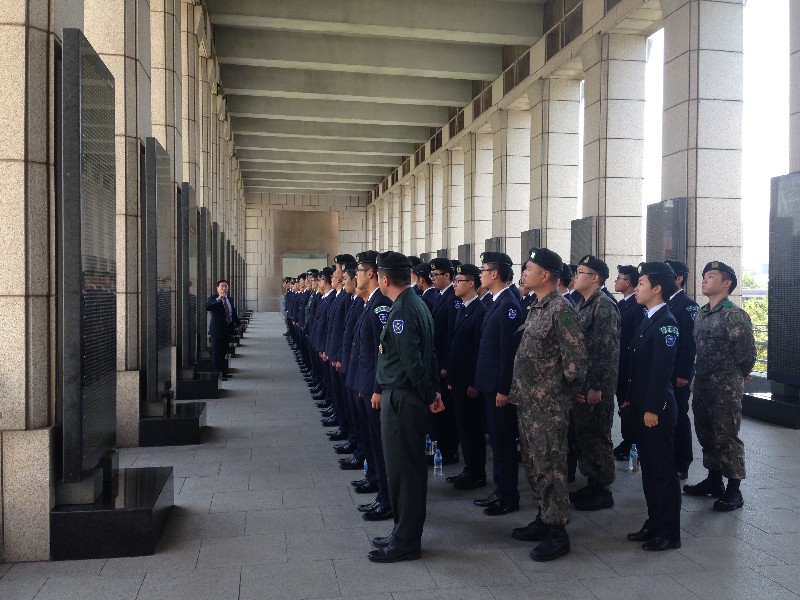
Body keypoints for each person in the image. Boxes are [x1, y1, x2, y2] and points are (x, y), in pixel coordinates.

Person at [509, 247, 587, 562]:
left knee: (551, 467)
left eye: (528, 268)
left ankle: (557, 531)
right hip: (528, 403)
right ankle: (544, 516)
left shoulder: (560, 309)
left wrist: (565, 393)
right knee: (533, 464)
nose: (523, 273)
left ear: (544, 276)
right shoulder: (537, 306)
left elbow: (575, 361)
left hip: (548, 407)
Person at [369, 251, 444, 563]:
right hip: (409, 395)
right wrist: (433, 391)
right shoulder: (417, 303)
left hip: (402, 397)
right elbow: (431, 353)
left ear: (384, 279)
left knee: (404, 471)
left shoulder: (401, 310)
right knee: (404, 469)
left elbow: (412, 361)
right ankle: (402, 530)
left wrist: (428, 395)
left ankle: (406, 540)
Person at [684, 261, 756, 512]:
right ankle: (714, 479)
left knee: (727, 436)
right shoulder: (701, 313)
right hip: (702, 384)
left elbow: (746, 353)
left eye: (711, 276)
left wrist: (738, 374)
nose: (704, 279)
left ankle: (734, 489)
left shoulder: (734, 315)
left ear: (727, 283)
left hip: (725, 388)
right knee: (706, 433)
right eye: (704, 275)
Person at [625, 261, 682, 551]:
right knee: (649, 469)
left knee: (662, 471)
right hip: (641, 406)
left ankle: (669, 531)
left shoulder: (666, 322)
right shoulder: (649, 317)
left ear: (657, 288)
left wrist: (652, 408)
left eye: (641, 284)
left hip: (655, 410)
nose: (636, 288)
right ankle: (654, 521)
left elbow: (661, 371)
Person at [473, 252, 525, 516]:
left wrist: (504, 389)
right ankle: (499, 490)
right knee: (496, 440)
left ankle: (508, 496)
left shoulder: (508, 305)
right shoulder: (497, 300)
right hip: (489, 384)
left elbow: (509, 353)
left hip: (498, 388)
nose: (480, 274)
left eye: (483, 270)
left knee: (504, 443)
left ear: (495, 274)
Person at [570, 255, 620, 511]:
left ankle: (602, 489)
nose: (576, 276)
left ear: (595, 278)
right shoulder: (583, 304)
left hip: (595, 386)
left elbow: (605, 351)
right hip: (583, 384)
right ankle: (592, 482)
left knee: (598, 436)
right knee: (585, 435)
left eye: (581, 272)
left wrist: (596, 387)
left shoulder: (603, 306)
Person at [445, 264, 488, 490]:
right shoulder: (463, 308)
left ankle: (477, 473)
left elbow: (478, 350)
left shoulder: (479, 311)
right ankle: (469, 468)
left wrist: (473, 381)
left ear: (471, 283)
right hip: (458, 380)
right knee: (463, 427)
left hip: (469, 383)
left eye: (458, 281)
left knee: (472, 428)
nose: (454, 285)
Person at [664, 259, 699, 481]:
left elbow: (689, 343)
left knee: (679, 418)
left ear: (678, 279)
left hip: (678, 374)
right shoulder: (665, 302)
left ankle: (681, 463)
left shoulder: (688, 306)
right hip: (665, 372)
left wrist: (685, 374)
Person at [429, 257, 461, 464]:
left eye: (435, 275)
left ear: (447, 275)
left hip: (444, 366)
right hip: (438, 363)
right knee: (440, 412)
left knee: (447, 412)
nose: (432, 279)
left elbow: (452, 335)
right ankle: (441, 448)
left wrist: (447, 365)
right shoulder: (440, 296)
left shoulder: (452, 298)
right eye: (431, 275)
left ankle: (449, 452)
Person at [614, 264, 643, 462]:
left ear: (628, 282)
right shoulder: (622, 304)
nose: (616, 281)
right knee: (623, 404)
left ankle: (633, 443)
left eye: (620, 278)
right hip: (620, 364)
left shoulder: (637, 305)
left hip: (629, 364)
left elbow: (636, 339)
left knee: (629, 405)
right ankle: (627, 440)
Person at [205, 278, 240, 381]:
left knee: (224, 352)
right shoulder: (213, 298)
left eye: (226, 286)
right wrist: (218, 300)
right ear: (217, 288)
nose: (224, 288)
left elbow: (233, 313)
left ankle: (223, 373)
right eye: (222, 286)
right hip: (217, 330)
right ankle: (216, 374)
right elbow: (207, 307)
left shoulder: (230, 299)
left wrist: (239, 324)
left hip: (227, 329)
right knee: (216, 353)